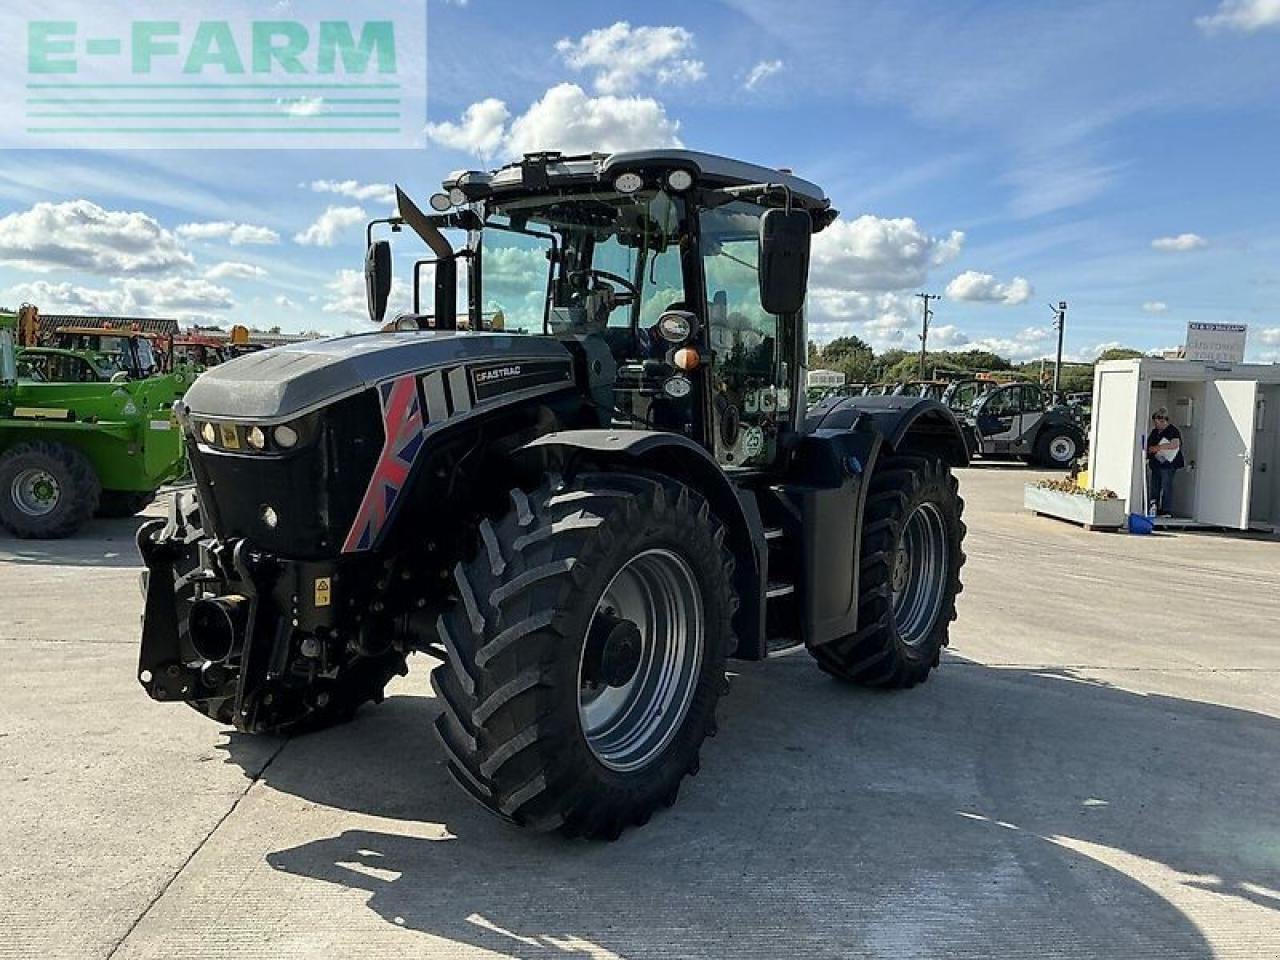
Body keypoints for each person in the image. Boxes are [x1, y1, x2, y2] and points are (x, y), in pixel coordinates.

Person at [1146, 407, 1184, 516]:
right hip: (1156, 463)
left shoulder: (1173, 431)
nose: (1156, 425)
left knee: (1166, 486)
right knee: (1155, 487)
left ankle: (1166, 510)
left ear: (1163, 420)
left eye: (1158, 422)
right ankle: (1154, 508)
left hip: (1168, 464)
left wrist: (1158, 447)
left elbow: (1175, 444)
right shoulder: (1155, 432)